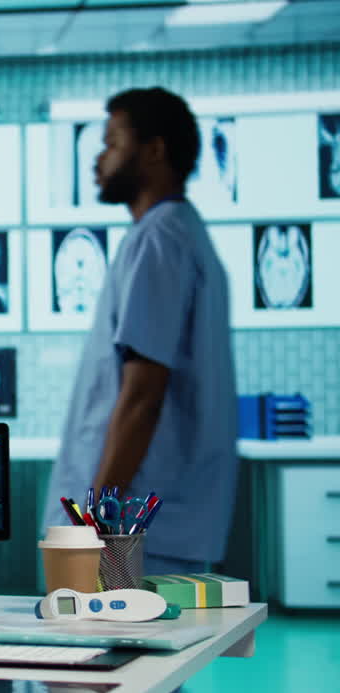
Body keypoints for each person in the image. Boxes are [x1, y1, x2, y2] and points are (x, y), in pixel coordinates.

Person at [43, 87, 237, 580]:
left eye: (112, 143)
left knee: (106, 650)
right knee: (138, 655)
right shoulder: (183, 234)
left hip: (125, 531)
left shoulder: (158, 239)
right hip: (155, 523)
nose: (99, 158)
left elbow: (142, 395)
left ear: (154, 150)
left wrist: (93, 522)